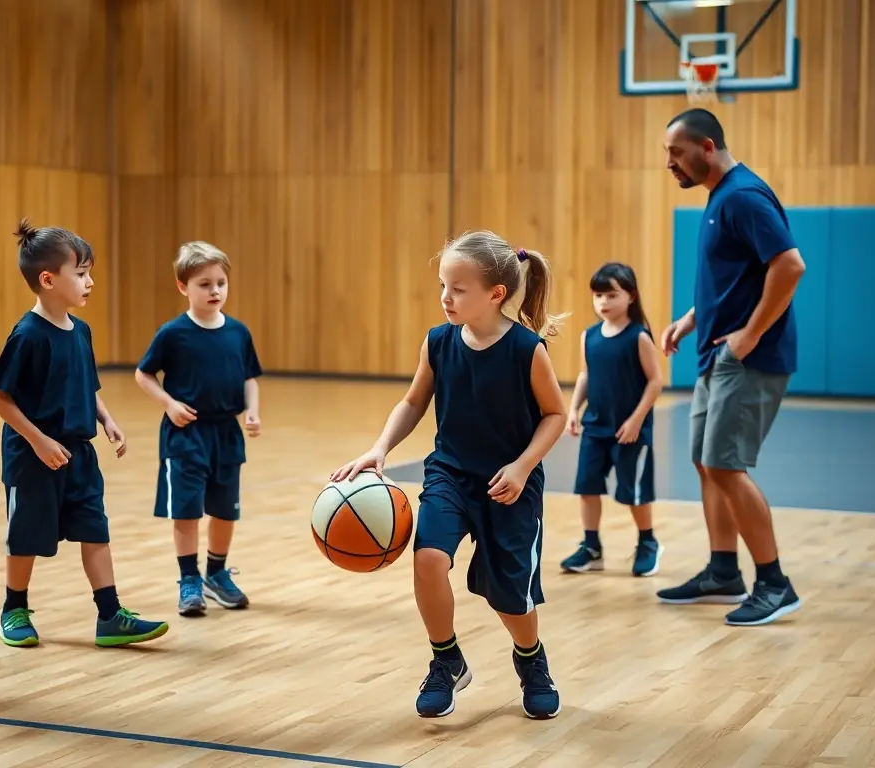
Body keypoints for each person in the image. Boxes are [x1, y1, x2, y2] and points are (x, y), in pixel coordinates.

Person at [331, 230, 567, 720]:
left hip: (509, 486)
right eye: (443, 285)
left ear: (495, 294)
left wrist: (523, 466)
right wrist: (380, 448)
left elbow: (555, 416)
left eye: (458, 288)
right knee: (429, 560)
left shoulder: (527, 349)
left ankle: (531, 659)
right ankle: (446, 660)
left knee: (509, 597)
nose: (445, 297)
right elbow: (415, 401)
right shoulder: (438, 342)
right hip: (449, 475)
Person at [0, 220, 169, 648]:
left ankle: (110, 616)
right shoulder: (28, 335)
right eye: (81, 273)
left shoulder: (80, 331)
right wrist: (37, 439)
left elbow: (88, 385)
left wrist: (106, 419)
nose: (91, 281)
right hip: (33, 457)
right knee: (25, 537)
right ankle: (13, 609)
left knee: (95, 530)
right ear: (48, 280)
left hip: (79, 456)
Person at [659, 107, 805, 626]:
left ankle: (774, 583)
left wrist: (749, 335)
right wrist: (692, 319)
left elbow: (789, 265)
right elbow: (738, 278)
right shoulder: (721, 198)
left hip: (748, 360)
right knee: (706, 460)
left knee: (724, 464)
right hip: (718, 354)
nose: (669, 164)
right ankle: (724, 571)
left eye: (676, 153)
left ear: (707, 147)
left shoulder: (742, 196)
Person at [135, 242, 262, 616]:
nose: (215, 291)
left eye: (221, 283)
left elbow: (251, 377)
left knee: (225, 511)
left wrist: (252, 411)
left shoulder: (238, 332)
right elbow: (144, 374)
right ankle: (189, 578)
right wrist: (169, 404)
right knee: (187, 511)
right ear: (183, 287)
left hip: (226, 434)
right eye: (204, 284)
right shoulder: (173, 333)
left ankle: (217, 573)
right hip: (185, 435)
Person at [561, 263, 663, 577]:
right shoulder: (589, 336)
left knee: (633, 491)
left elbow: (655, 381)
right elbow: (586, 375)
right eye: (598, 296)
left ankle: (647, 542)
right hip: (596, 427)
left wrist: (635, 421)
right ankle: (591, 547)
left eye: (611, 295)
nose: (603, 302)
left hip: (629, 431)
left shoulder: (639, 337)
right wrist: (574, 410)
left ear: (630, 296)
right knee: (587, 487)